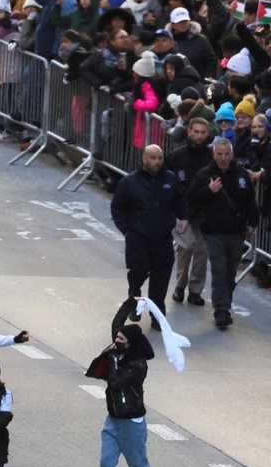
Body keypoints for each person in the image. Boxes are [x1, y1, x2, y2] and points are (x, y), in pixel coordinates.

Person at [86, 301, 168, 467]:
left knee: (139, 466)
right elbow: (117, 323)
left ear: (130, 344)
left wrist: (112, 359)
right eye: (116, 338)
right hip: (113, 420)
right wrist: (132, 300)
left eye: (121, 339)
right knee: (106, 463)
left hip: (131, 424)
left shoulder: (137, 365)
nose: (115, 341)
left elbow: (116, 382)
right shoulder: (120, 350)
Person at [110, 144, 187, 329]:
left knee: (161, 277)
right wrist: (127, 229)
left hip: (163, 237)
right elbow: (118, 207)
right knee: (138, 271)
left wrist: (183, 216)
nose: (157, 162)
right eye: (152, 158)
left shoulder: (170, 179)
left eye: (159, 158)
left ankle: (157, 314)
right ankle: (134, 299)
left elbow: (180, 200)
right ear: (144, 159)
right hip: (138, 237)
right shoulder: (130, 182)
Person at [188, 139, 260, 329]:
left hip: (236, 232)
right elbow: (192, 199)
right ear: (214, 154)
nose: (223, 158)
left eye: (226, 154)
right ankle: (221, 310)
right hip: (213, 232)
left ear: (232, 154)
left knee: (229, 271)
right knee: (219, 270)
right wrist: (209, 191)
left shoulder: (241, 174)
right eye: (219, 154)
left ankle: (224, 303)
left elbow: (250, 201)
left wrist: (253, 223)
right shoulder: (205, 175)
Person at [166, 118, 213, 307]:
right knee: (185, 248)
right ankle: (179, 286)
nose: (199, 136)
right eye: (196, 132)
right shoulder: (176, 157)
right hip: (182, 211)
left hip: (205, 212)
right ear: (189, 132)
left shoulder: (212, 157)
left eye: (203, 132)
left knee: (202, 252)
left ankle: (195, 290)